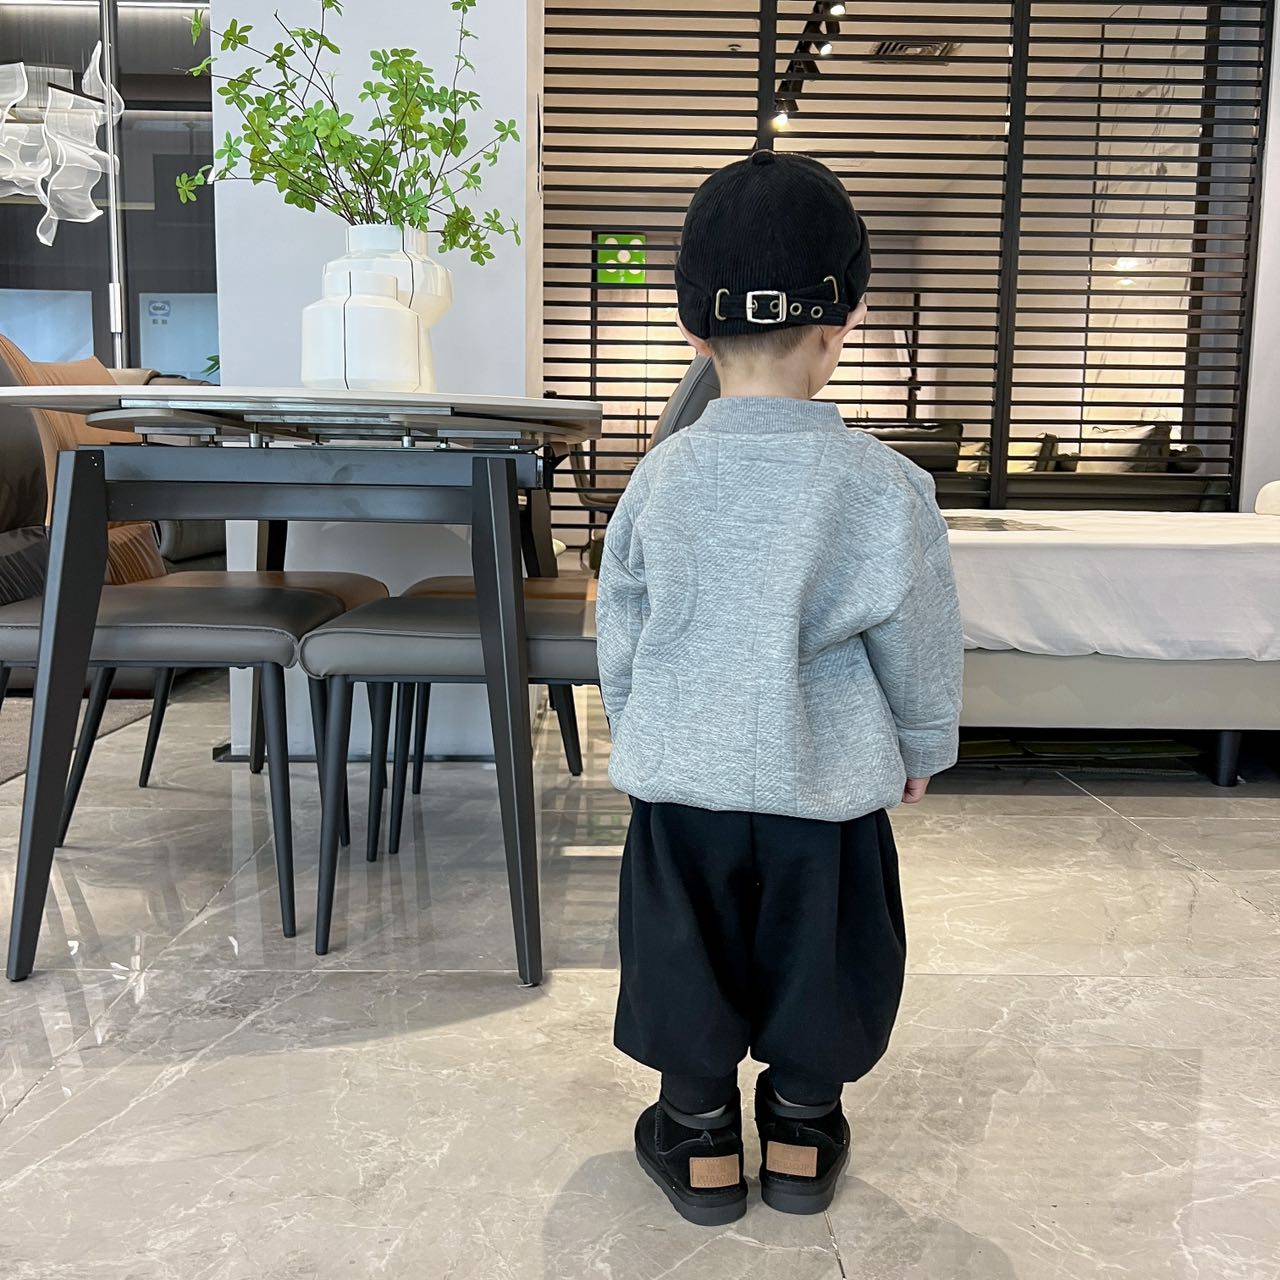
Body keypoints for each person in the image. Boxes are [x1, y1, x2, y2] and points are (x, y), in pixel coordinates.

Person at [594, 150, 965, 1227]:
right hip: (827, 790)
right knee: (829, 958)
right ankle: (801, 1130)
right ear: (842, 321)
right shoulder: (888, 487)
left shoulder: (658, 477)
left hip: (682, 791)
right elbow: (919, 638)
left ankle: (700, 1136)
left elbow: (622, 630)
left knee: (681, 956)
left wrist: (641, 728)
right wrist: (920, 744)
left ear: (692, 329)